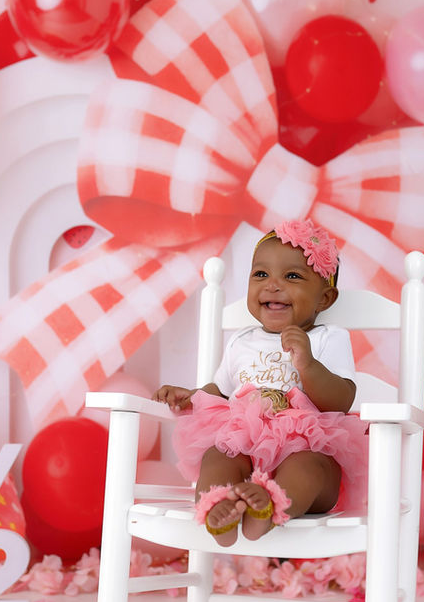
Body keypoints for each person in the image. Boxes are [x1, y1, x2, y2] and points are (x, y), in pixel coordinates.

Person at [153, 220, 368, 547]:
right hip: (245, 447)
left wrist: (308, 364)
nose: (273, 285)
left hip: (308, 446)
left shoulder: (327, 337)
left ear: (324, 298)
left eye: (292, 276)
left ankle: (270, 505)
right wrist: (191, 395)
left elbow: (340, 401)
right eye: (261, 274)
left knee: (308, 467)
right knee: (217, 456)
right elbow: (220, 391)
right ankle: (219, 505)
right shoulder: (242, 341)